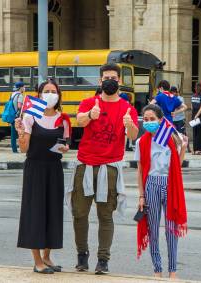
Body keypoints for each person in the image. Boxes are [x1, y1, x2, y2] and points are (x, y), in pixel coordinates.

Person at [68, 63, 139, 274]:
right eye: (106, 78)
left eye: (114, 78)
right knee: (79, 213)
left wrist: (129, 125)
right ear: (100, 81)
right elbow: (78, 122)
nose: (110, 81)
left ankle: (103, 260)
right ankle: (82, 255)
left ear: (119, 81)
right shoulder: (89, 102)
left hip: (110, 167)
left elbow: (134, 135)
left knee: (105, 215)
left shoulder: (128, 108)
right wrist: (91, 115)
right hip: (85, 164)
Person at [15, 79, 71, 274]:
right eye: (45, 91)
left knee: (53, 212)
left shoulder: (63, 119)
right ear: (39, 95)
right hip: (35, 169)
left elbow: (64, 144)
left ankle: (47, 257)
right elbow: (24, 149)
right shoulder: (30, 116)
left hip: (54, 169)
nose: (49, 94)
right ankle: (37, 261)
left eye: (53, 91)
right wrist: (21, 133)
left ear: (58, 95)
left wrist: (64, 147)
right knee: (35, 212)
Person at [135, 104, 188, 279]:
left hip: (170, 184)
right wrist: (141, 195)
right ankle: (157, 269)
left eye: (152, 119)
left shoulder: (170, 139)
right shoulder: (141, 142)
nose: (149, 122)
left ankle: (173, 271)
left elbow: (177, 167)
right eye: (146, 119)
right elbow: (141, 170)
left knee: (171, 230)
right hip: (151, 184)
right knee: (153, 230)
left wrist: (184, 149)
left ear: (160, 120)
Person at [10, 81, 25, 153]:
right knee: (21, 133)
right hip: (18, 117)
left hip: (12, 116)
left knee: (13, 134)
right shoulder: (20, 95)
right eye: (23, 87)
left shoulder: (12, 94)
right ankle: (23, 148)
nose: (24, 88)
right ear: (21, 88)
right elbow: (19, 106)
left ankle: (14, 150)